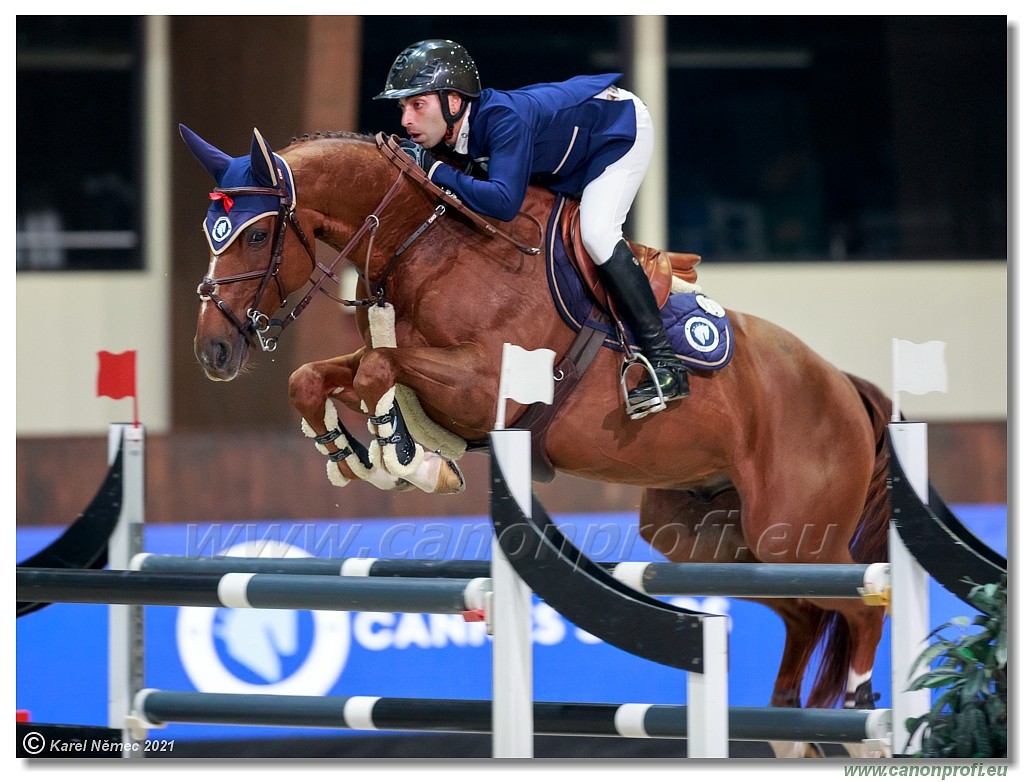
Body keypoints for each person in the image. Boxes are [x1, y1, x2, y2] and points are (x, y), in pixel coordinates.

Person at [375, 39, 688, 418]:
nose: (406, 119)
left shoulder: (504, 120)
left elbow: (504, 203)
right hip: (571, 147)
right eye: (403, 107)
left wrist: (436, 170)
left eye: (417, 105)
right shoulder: (458, 130)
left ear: (453, 102)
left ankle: (667, 363)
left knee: (598, 233)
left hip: (618, 130)